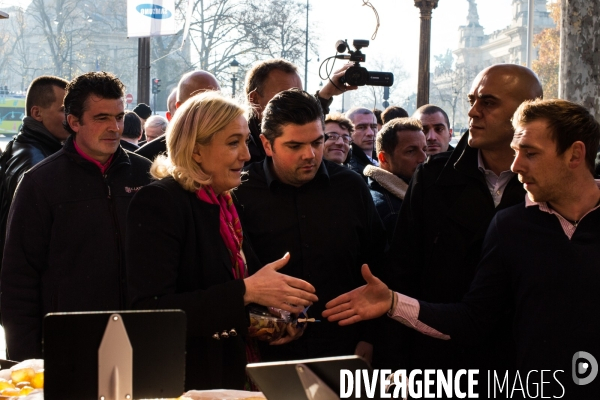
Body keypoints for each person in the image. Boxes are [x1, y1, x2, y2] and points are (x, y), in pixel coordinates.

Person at [324, 98, 600, 398]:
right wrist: (392, 302)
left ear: (575, 155)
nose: (516, 164)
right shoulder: (510, 226)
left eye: (530, 153)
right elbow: (473, 320)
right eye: (516, 151)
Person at [126, 91, 318, 390]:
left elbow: (230, 294)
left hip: (233, 375)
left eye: (245, 140)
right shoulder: (161, 202)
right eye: (233, 143)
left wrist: (278, 315)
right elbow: (152, 312)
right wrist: (247, 290)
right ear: (196, 150)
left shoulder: (223, 202)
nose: (247, 154)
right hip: (189, 384)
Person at [379, 64, 542, 381]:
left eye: (489, 102)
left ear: (527, 111)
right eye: (472, 100)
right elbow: (402, 270)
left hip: (521, 365)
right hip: (439, 361)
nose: (473, 112)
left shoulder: (548, 181)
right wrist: (394, 362)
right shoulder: (432, 177)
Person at [1, 71, 152, 360]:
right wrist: (25, 359)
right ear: (73, 122)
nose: (114, 127)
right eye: (101, 118)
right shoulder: (39, 183)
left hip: (141, 340)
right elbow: (18, 281)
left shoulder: (147, 174)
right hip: (67, 346)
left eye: (119, 117)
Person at [234, 89, 387, 363]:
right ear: (267, 145)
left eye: (318, 142)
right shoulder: (239, 192)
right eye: (295, 146)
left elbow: (379, 263)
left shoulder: (350, 188)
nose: (310, 154)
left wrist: (372, 336)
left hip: (344, 347)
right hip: (266, 351)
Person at [0, 75, 69, 268]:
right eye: (64, 110)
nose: (72, 117)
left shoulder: (30, 148)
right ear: (37, 113)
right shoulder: (33, 160)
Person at [244, 59, 358, 165]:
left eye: (299, 95)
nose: (309, 155)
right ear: (254, 99)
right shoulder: (240, 152)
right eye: (285, 96)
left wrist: (326, 95)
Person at [136, 71, 220, 161]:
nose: (213, 113)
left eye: (219, 105)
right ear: (180, 108)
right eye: (204, 106)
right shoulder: (145, 159)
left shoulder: (228, 146)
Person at [365, 118, 426, 241]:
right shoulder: (393, 213)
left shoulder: (408, 197)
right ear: (383, 158)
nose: (423, 157)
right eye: (411, 151)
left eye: (424, 149)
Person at [345, 107, 378, 180]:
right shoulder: (352, 170)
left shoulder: (384, 161)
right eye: (361, 127)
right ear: (348, 131)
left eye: (374, 127)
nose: (370, 133)